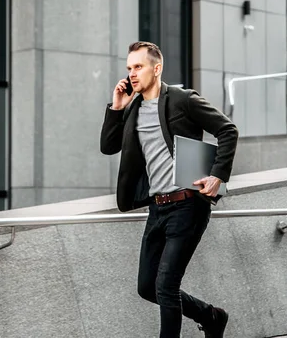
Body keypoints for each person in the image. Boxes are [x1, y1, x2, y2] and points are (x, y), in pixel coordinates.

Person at [99, 41, 238, 337]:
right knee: (147, 286)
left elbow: (227, 130)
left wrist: (218, 176)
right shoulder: (132, 108)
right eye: (129, 68)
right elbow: (108, 147)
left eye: (139, 66)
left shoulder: (182, 99)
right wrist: (116, 107)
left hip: (188, 205)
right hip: (157, 207)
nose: (132, 74)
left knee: (166, 286)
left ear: (156, 68)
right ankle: (211, 316)